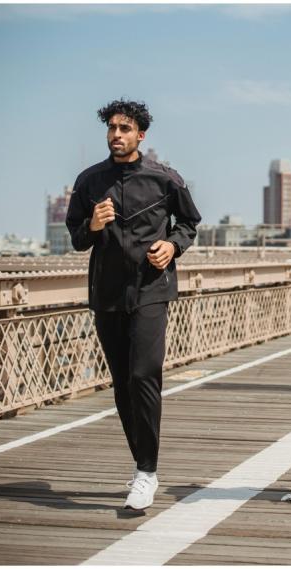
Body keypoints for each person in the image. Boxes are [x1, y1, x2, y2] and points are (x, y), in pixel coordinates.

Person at [65, 99, 201, 510]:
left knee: (144, 375)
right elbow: (76, 238)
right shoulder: (89, 181)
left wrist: (170, 246)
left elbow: (190, 224)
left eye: (125, 129)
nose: (117, 135)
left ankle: (146, 471)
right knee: (123, 383)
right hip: (107, 294)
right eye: (112, 128)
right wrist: (93, 223)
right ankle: (142, 465)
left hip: (150, 290)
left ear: (141, 135)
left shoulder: (165, 180)